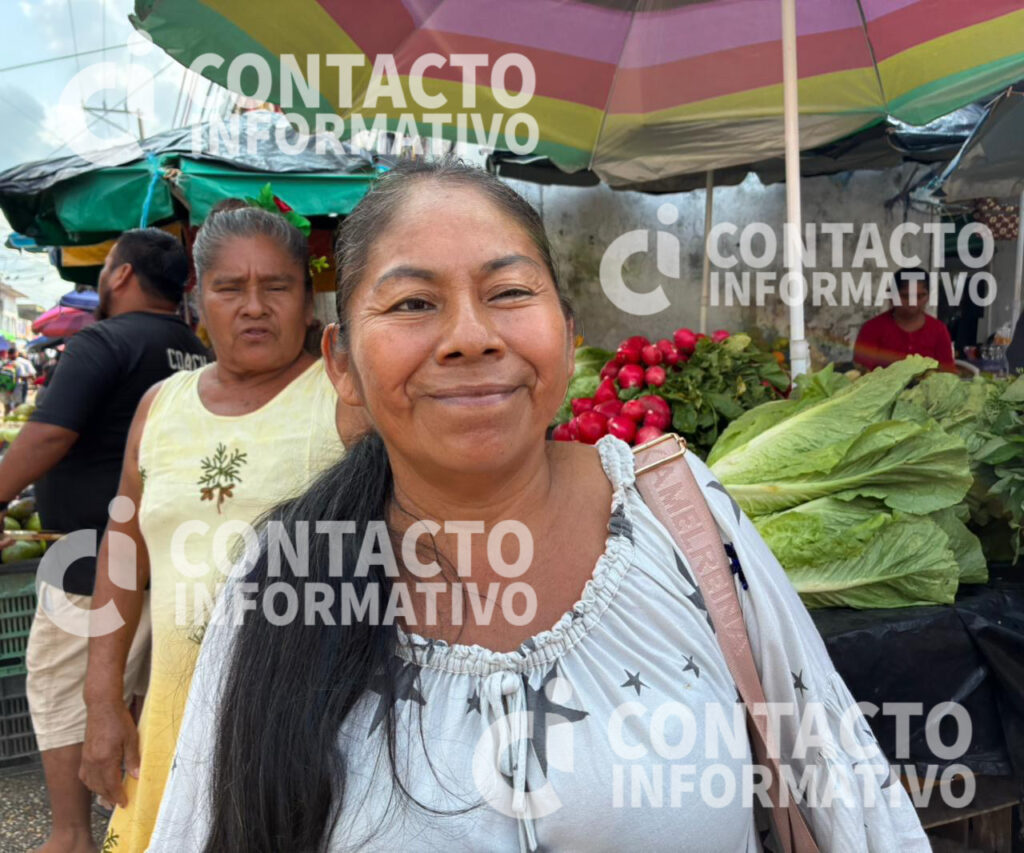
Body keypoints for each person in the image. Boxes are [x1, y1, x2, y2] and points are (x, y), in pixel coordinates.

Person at [149, 160, 928, 852]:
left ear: (567, 332)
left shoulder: (680, 517)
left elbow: (850, 793)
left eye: (510, 292)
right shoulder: (281, 580)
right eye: (414, 302)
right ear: (343, 365)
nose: (470, 336)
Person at [80, 206, 366, 853]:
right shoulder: (160, 406)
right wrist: (102, 698)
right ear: (199, 300)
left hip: (305, 725)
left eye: (277, 286)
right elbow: (122, 553)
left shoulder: (346, 398)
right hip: (172, 714)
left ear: (308, 299)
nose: (254, 306)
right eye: (230, 287)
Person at [0, 228, 209, 853]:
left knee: (60, 689)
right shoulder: (194, 349)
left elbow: (48, 435)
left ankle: (70, 836)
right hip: (162, 560)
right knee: (138, 694)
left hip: (88, 563)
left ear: (119, 275)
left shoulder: (103, 341)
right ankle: (136, 825)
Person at [854, 267, 957, 373]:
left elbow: (947, 372)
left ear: (928, 296)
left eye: (920, 296)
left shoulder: (938, 330)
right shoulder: (872, 329)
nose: (913, 302)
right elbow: (861, 372)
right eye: (905, 296)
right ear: (891, 295)